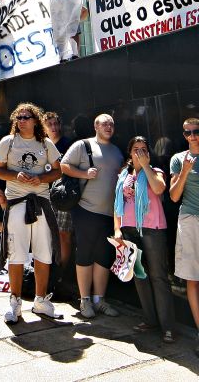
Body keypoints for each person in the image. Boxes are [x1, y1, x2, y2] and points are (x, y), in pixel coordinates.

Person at [0, 103, 62, 324]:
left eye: (26, 117)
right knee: (16, 254)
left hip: (41, 202)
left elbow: (58, 170)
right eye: (18, 117)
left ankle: (40, 301)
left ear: (35, 120)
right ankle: (15, 303)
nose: (21, 120)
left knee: (43, 253)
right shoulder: (8, 141)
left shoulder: (46, 143)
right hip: (17, 203)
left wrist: (41, 178)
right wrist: (15, 175)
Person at [61, 114, 124, 319]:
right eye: (104, 123)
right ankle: (84, 300)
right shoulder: (83, 145)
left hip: (109, 214)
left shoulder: (116, 151)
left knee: (104, 257)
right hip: (85, 210)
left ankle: (100, 300)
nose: (108, 127)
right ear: (95, 126)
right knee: (85, 254)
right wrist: (84, 174)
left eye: (111, 124)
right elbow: (64, 165)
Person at [112, 136, 175, 344]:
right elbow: (117, 204)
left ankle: (168, 327)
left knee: (159, 277)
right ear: (130, 152)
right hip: (129, 230)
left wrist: (146, 166)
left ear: (149, 153)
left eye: (144, 149)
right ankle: (150, 319)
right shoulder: (124, 175)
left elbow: (158, 189)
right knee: (140, 275)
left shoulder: (155, 171)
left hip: (152, 229)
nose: (139, 152)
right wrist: (117, 229)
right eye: (136, 149)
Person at [169, 117, 199, 356]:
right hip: (189, 220)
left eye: (196, 131)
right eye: (187, 132)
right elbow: (174, 196)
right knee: (192, 278)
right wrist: (186, 171)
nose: (192, 136)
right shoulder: (179, 159)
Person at [43, 111, 75, 293]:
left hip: (63, 196)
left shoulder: (68, 144)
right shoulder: (42, 145)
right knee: (47, 236)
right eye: (50, 125)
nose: (54, 128)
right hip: (45, 195)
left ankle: (62, 273)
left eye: (56, 124)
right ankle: (50, 273)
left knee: (64, 235)